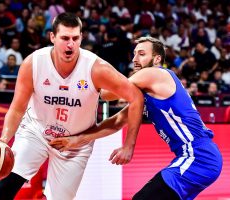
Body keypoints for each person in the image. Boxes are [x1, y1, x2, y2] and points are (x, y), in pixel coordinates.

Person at [0, 12, 143, 200]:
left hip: (76, 142)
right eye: (64, 38)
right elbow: (17, 108)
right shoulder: (33, 63)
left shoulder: (97, 68)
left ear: (81, 38)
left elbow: (136, 97)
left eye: (75, 38)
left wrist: (129, 145)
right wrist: (4, 139)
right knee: (9, 181)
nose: (70, 44)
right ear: (52, 37)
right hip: (36, 130)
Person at [50, 37, 223, 200]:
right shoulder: (144, 93)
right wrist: (78, 140)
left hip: (198, 157)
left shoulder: (156, 74)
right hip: (198, 157)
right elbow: (116, 122)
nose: (135, 58)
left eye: (141, 54)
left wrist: (85, 78)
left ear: (156, 59)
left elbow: (109, 94)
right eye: (134, 54)